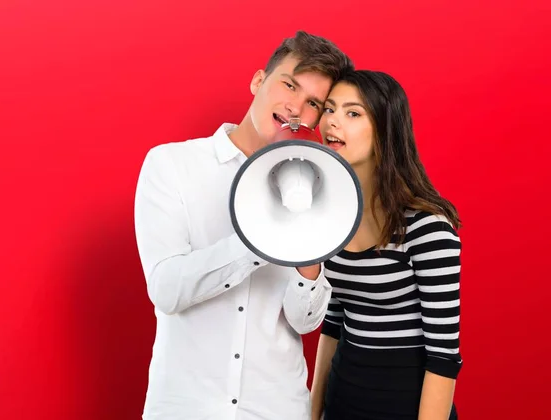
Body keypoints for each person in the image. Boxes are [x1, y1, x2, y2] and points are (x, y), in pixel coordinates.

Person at [133, 31, 353, 420]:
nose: (295, 108)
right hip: (185, 409)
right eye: (289, 85)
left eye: (313, 103)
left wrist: (309, 254)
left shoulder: (318, 183)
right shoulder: (171, 165)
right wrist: (258, 237)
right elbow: (167, 290)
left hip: (277, 409)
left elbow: (305, 320)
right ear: (258, 81)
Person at [310, 69, 463, 420]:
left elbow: (443, 356)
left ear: (384, 129)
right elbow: (332, 325)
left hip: (404, 407)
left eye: (352, 113)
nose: (332, 122)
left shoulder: (427, 227)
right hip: (342, 401)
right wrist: (313, 412)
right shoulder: (329, 220)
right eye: (329, 109)